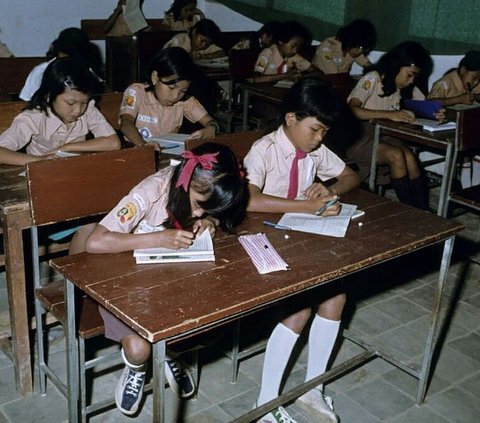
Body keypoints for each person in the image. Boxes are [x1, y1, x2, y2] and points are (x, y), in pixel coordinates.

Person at [85, 142, 248, 416]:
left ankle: (169, 355)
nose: (197, 212)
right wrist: (158, 239)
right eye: (198, 205)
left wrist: (209, 222)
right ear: (187, 181)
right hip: (119, 277)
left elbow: (208, 213)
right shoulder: (151, 191)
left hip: (164, 278)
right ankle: (137, 368)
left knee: (211, 330)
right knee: (139, 350)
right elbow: (95, 242)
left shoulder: (200, 190)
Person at [243, 78, 360, 423]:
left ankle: (313, 387)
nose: (320, 138)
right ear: (291, 118)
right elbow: (249, 199)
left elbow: (351, 176)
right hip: (257, 241)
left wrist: (328, 189)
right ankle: (265, 403)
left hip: (298, 238)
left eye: (324, 131)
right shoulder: (263, 150)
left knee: (336, 299)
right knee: (298, 310)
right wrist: (308, 207)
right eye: (315, 129)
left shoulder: (314, 150)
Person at [347, 41, 441, 210]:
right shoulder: (373, 78)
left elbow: (424, 104)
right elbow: (353, 110)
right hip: (359, 135)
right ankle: (410, 210)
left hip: (385, 134)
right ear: (397, 65)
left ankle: (421, 209)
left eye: (415, 77)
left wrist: (435, 113)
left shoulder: (403, 85)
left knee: (411, 159)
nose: (411, 81)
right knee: (396, 155)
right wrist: (390, 115)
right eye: (409, 75)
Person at [0, 57, 120, 166]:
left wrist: (66, 147)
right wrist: (41, 160)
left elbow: (113, 143)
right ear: (49, 95)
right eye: (70, 103)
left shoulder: (88, 109)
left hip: (75, 169)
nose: (78, 110)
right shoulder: (33, 118)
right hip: (40, 174)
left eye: (84, 102)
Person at [119, 47, 220, 146]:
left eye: (183, 90)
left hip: (168, 150)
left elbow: (211, 122)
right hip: (134, 148)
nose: (175, 96)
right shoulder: (136, 92)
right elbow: (126, 124)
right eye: (171, 88)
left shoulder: (185, 100)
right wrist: (144, 147)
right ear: (155, 77)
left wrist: (212, 127)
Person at [19, 27, 103, 101]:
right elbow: (26, 100)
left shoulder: (87, 70)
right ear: (59, 52)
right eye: (65, 54)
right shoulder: (41, 71)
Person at [252, 21, 320, 84]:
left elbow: (318, 73)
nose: (295, 50)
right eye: (293, 46)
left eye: (298, 48)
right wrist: (286, 76)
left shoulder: (294, 56)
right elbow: (256, 79)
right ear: (281, 40)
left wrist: (300, 76)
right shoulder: (268, 53)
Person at [312, 19, 376, 74]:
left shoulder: (353, 48)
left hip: (339, 83)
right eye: (360, 47)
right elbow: (334, 77)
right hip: (322, 83)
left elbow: (368, 66)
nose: (360, 51)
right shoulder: (327, 48)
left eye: (363, 48)